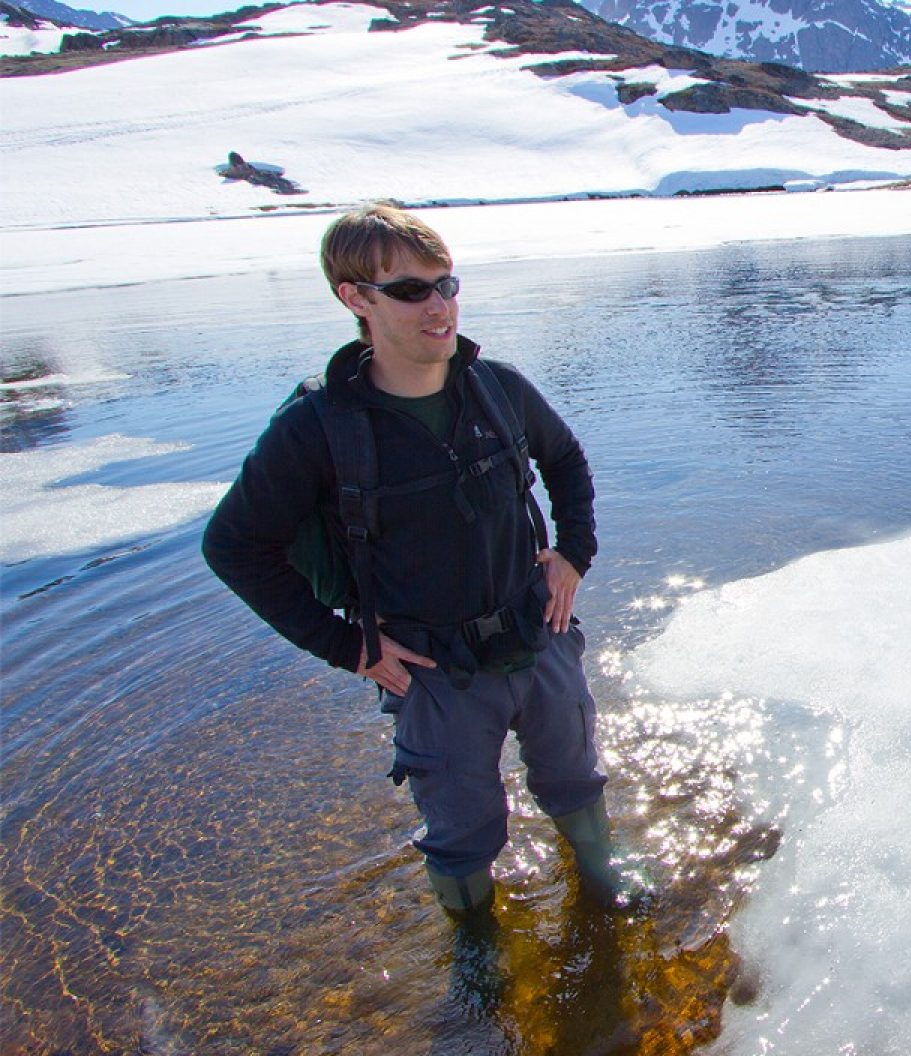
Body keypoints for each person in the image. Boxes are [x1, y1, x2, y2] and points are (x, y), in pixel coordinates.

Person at [203, 204, 648, 915]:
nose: (441, 306)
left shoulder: (498, 388)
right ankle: (477, 955)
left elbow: (564, 459)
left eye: (448, 284)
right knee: (463, 832)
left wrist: (573, 552)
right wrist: (348, 646)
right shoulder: (316, 431)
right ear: (356, 299)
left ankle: (604, 882)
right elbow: (232, 546)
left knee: (577, 781)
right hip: (433, 675)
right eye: (413, 290)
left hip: (540, 637)